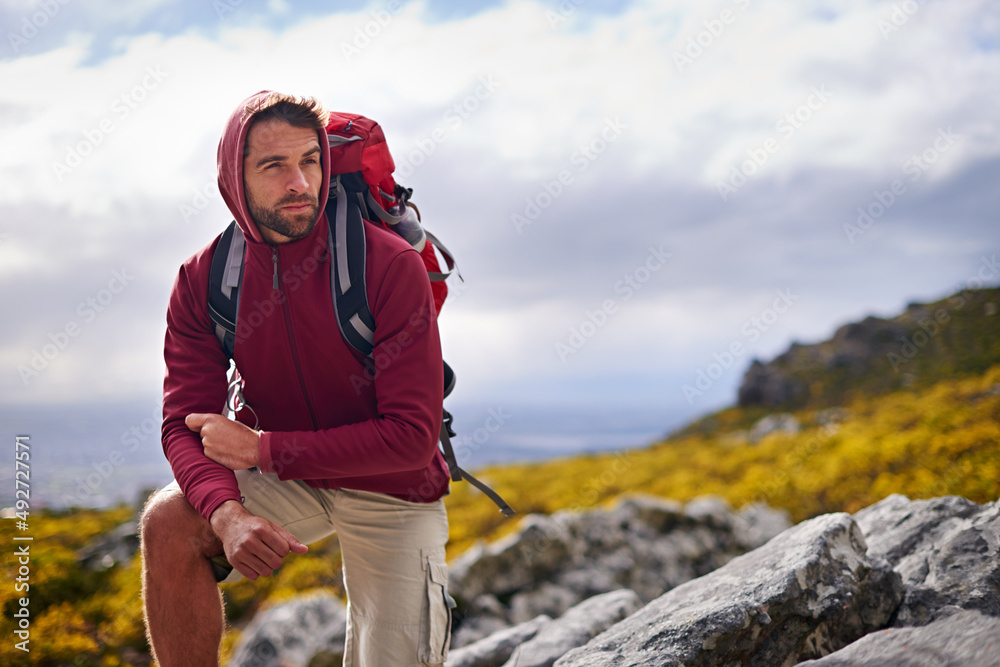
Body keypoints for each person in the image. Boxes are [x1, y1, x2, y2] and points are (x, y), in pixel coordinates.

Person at [140, 90, 453, 667]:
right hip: (284, 474)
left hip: (392, 482)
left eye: (310, 161)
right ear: (235, 179)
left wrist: (263, 450)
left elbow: (411, 438)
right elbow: (182, 424)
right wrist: (227, 515)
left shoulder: (386, 264)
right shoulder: (207, 279)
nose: (300, 183)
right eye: (274, 165)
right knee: (169, 520)